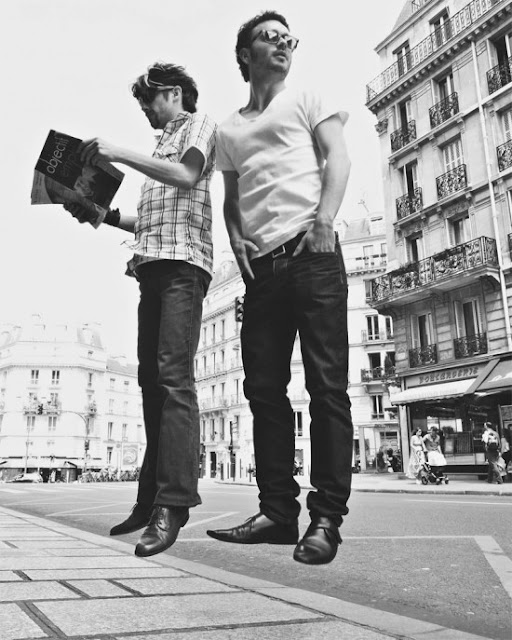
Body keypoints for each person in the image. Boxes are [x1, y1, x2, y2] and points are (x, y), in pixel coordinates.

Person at [206, 11, 353, 565]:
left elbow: (339, 157)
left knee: (326, 387)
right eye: (269, 37)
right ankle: (276, 513)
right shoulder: (229, 130)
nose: (282, 44)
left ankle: (326, 519)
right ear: (245, 55)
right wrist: (236, 239)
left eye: (288, 38)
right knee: (263, 392)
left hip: (312, 254)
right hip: (262, 272)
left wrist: (324, 221)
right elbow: (231, 196)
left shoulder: (308, 98)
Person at [64, 62, 216, 556]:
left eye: (148, 101)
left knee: (173, 380)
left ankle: (174, 503)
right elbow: (149, 222)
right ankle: (150, 499)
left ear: (173, 93)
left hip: (183, 268)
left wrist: (117, 153)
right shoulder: (158, 149)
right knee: (152, 385)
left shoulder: (198, 124)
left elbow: (188, 175)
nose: (146, 111)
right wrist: (101, 214)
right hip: (152, 268)